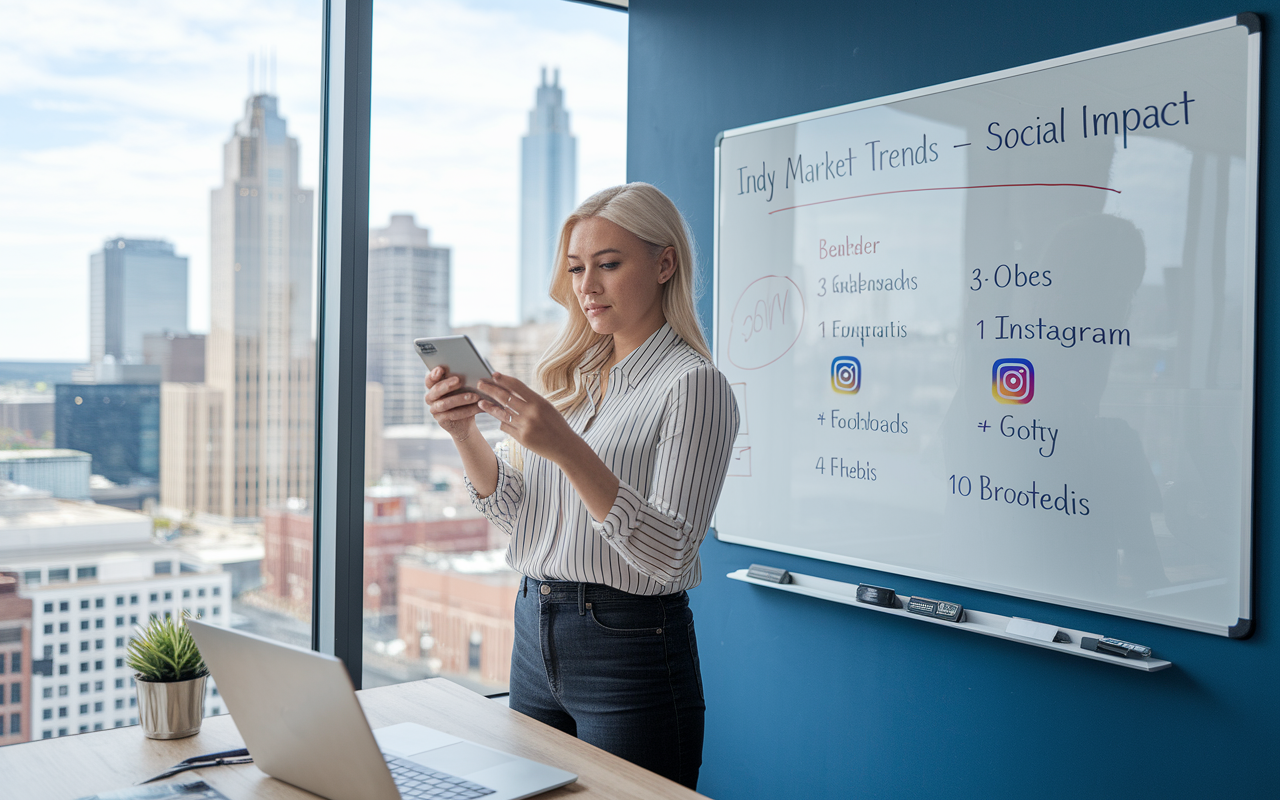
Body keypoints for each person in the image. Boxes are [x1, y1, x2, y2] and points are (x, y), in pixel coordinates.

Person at [423, 182, 739, 789]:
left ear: (664, 264)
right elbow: (517, 516)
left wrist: (567, 447)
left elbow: (671, 555)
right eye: (575, 269)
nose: (586, 286)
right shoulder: (569, 380)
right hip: (532, 626)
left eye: (608, 265)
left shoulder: (693, 385)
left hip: (629, 646)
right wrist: (464, 433)